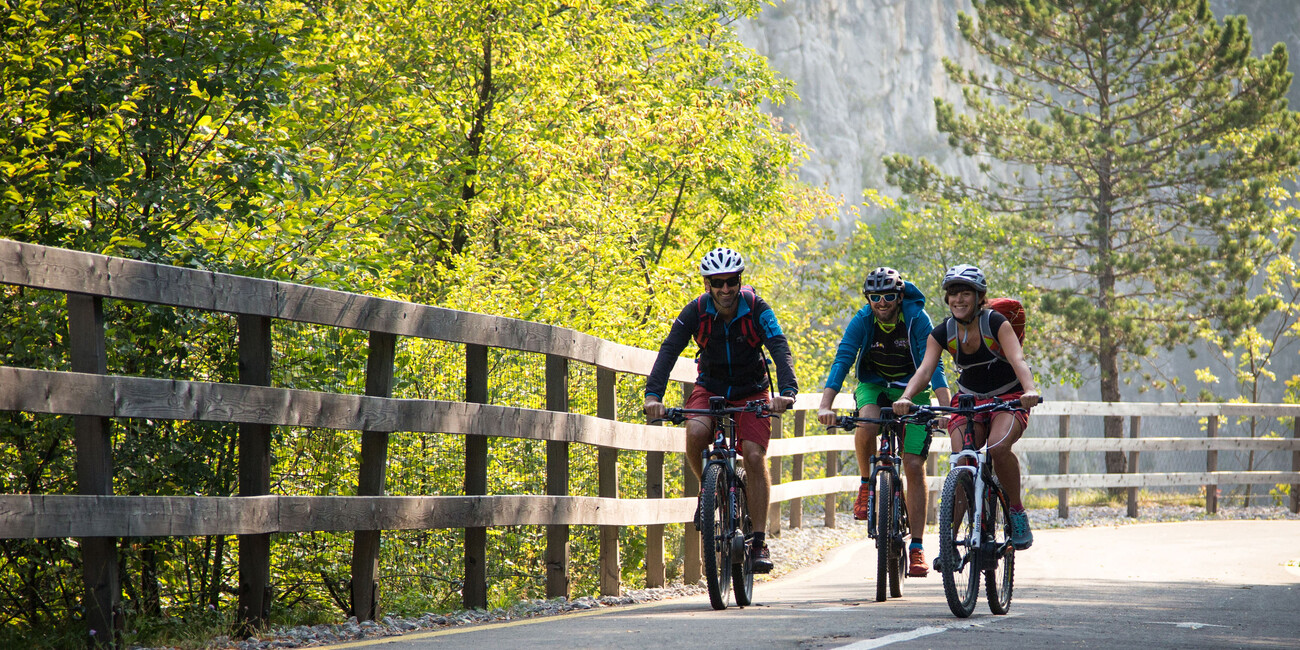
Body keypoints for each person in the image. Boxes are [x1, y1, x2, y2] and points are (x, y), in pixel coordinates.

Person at [644, 247, 798, 574]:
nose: (725, 289)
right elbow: (669, 349)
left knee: (754, 456)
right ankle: (709, 490)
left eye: (731, 282)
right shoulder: (695, 311)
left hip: (751, 390)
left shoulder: (757, 308)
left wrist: (787, 392)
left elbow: (779, 346)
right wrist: (653, 395)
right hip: (711, 387)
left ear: (739, 281)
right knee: (696, 432)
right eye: (718, 283)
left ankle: (758, 542)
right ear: (707, 285)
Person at [892, 264, 1040, 552]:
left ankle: (1016, 512)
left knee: (997, 448)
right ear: (947, 299)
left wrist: (1030, 390)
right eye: (953, 294)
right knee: (963, 461)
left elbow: (1018, 360)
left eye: (965, 294)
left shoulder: (996, 323)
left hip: (1007, 399)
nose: (958, 300)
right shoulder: (942, 332)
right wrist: (907, 397)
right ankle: (950, 541)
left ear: (979, 297)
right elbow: (924, 371)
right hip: (970, 400)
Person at [816, 267, 951, 577]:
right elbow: (843, 360)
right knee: (868, 422)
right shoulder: (862, 320)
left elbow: (934, 367)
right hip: (874, 385)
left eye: (889, 296)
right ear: (868, 299)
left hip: (912, 389)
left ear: (899, 296)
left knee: (914, 466)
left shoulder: (917, 319)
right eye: (875, 297)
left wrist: (945, 409)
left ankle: (916, 547)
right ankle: (866, 484)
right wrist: (826, 405)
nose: (882, 302)